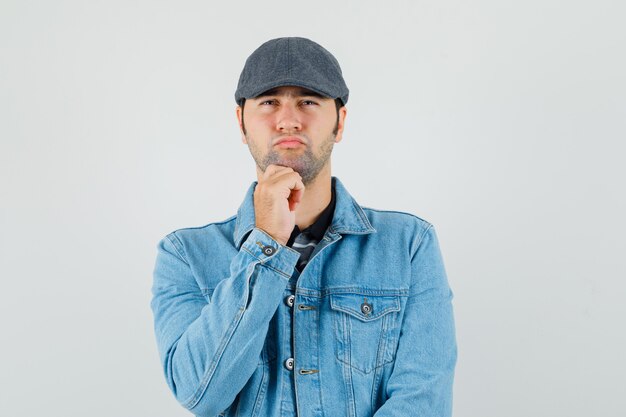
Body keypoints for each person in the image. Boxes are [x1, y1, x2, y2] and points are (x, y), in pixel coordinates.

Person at [151, 36, 457, 417]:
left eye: (309, 101)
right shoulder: (185, 254)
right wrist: (266, 244)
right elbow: (200, 393)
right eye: (269, 102)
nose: (288, 119)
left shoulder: (409, 245)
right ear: (241, 124)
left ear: (340, 122)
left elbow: (422, 401)